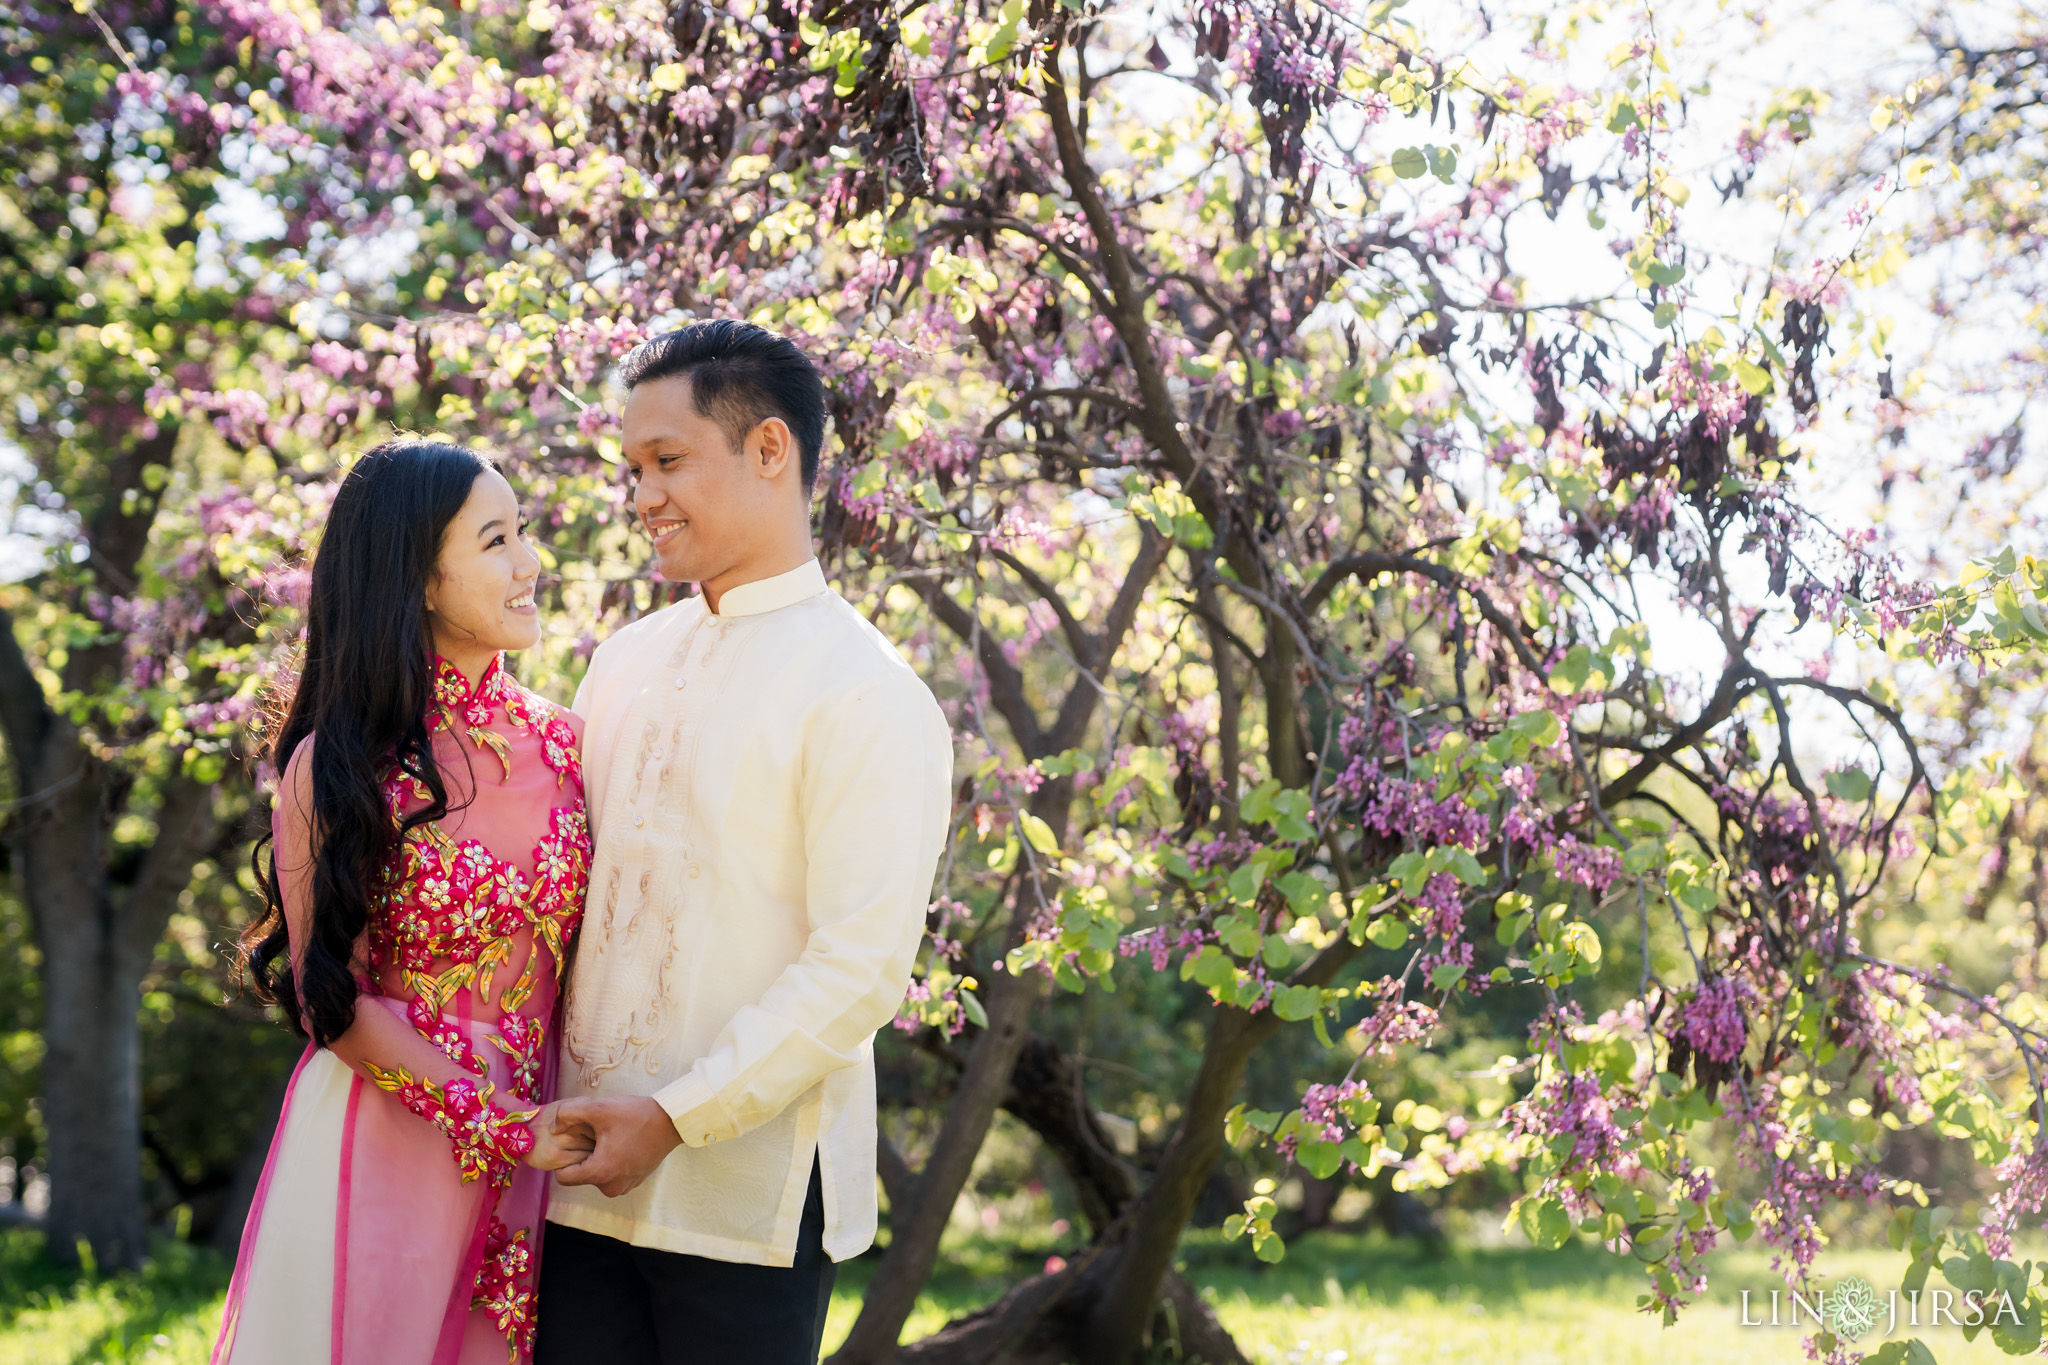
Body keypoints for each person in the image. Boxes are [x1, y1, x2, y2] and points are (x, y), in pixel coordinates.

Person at [534, 320, 954, 1365]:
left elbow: (859, 966)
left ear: (771, 450)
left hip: (745, 1203)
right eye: (631, 469)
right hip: (571, 1185)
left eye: (667, 461)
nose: (641, 497)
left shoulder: (867, 693)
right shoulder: (619, 665)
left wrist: (675, 1117)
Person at [216, 439, 595, 1365]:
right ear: (420, 580)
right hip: (387, 1143)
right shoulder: (336, 769)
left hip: (551, 1152)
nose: (530, 561)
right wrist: (498, 1123)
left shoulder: (575, 745)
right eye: (496, 540)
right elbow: (328, 1004)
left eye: (524, 533)